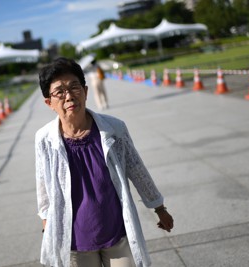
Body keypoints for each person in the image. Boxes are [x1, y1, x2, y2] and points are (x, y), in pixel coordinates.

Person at [35, 57, 174, 267]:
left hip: (116, 234)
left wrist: (159, 208)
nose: (69, 96)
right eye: (59, 92)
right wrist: (47, 226)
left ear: (86, 91)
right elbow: (44, 185)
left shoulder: (114, 128)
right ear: (49, 102)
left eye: (74, 87)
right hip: (75, 243)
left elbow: (137, 169)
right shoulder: (44, 139)